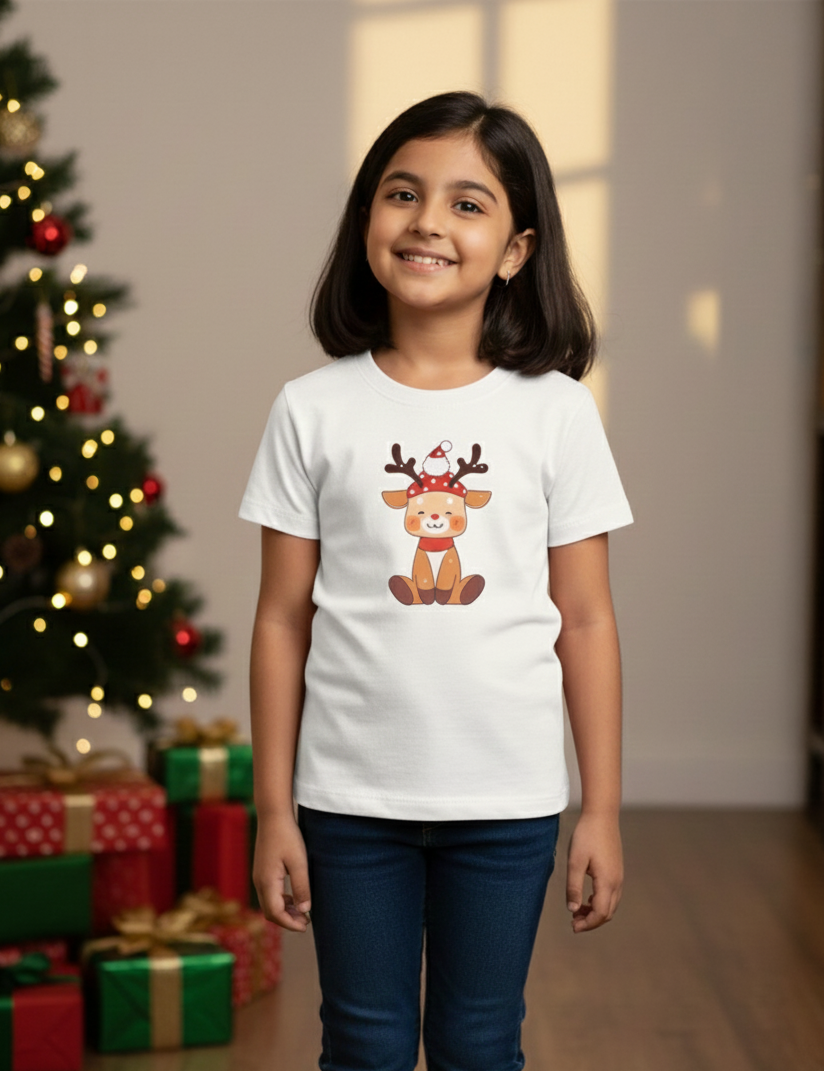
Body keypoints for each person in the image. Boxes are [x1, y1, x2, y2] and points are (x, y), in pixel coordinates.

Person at [238, 90, 633, 1071]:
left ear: (514, 249)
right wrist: (275, 810)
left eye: (467, 203)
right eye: (400, 193)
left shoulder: (555, 415)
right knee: (364, 1045)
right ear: (365, 221)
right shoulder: (310, 410)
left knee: (478, 1042)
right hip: (345, 804)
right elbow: (282, 622)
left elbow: (582, 621)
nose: (425, 221)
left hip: (505, 805)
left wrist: (599, 808)